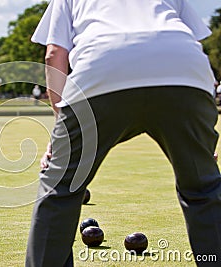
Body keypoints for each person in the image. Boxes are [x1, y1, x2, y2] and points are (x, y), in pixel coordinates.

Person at [26, 1, 221, 266]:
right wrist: (203, 138)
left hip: (101, 71)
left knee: (61, 189)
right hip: (184, 72)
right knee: (204, 189)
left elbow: (54, 54)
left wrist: (61, 126)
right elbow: (192, 43)